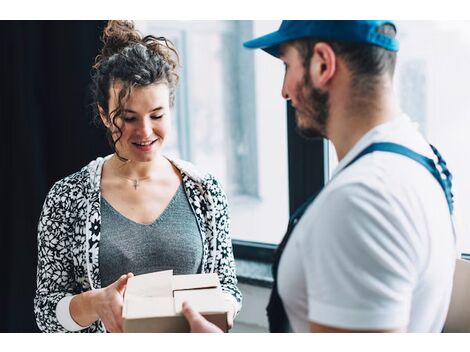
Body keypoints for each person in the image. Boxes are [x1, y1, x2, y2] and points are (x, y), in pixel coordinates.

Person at [182, 20, 456, 333]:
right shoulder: (420, 156)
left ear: (323, 64)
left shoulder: (364, 199)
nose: (284, 91)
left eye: (287, 65)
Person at [34, 20, 242, 333]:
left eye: (156, 115)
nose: (145, 132)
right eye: (128, 118)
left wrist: (216, 314)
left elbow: (228, 289)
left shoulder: (205, 191)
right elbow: (46, 311)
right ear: (105, 115)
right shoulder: (67, 198)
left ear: (171, 107)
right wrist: (96, 302)